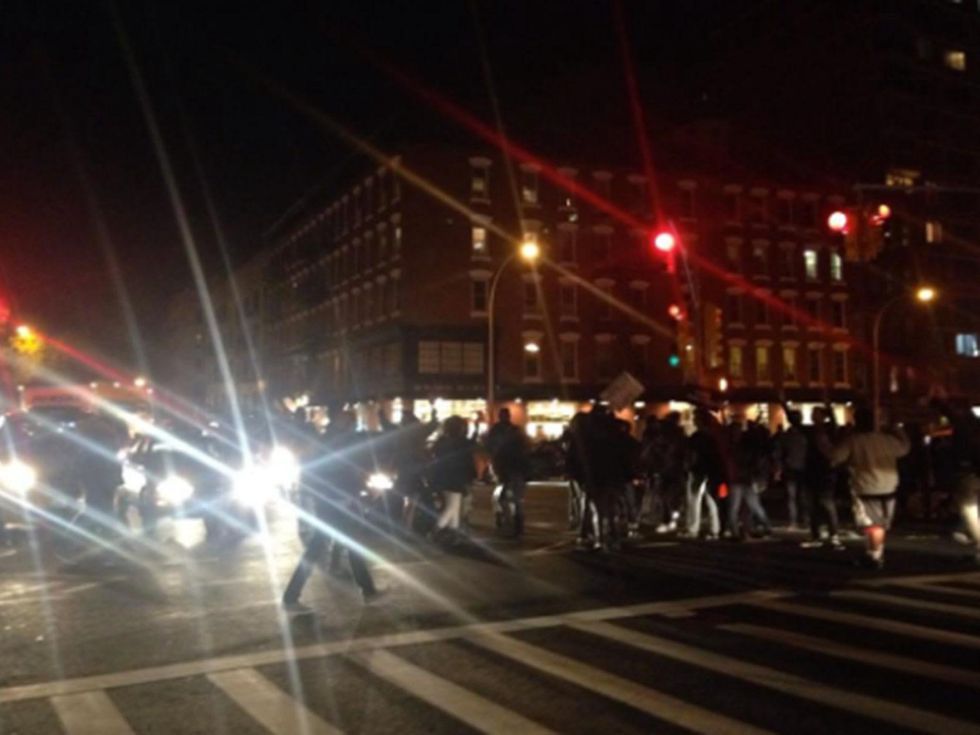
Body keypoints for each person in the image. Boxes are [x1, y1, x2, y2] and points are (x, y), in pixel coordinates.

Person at [282, 410, 380, 616]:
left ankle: (368, 590)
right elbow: (337, 473)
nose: (352, 424)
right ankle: (291, 597)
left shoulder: (329, 440)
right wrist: (351, 493)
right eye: (349, 421)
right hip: (336, 503)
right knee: (329, 547)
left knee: (326, 547)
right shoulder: (335, 442)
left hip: (332, 502)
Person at [828, 405, 910, 570]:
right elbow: (904, 448)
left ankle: (875, 556)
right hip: (889, 484)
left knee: (872, 524)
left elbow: (835, 457)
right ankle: (874, 552)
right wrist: (897, 429)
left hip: (866, 485)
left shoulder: (854, 441)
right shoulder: (886, 440)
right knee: (881, 523)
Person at [930, 387, 980, 565]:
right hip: (974, 470)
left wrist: (941, 401)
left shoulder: (964, 424)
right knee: (971, 509)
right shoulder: (975, 423)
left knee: (969, 509)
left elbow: (952, 415)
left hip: (969, 471)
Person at [801, 406, 844, 549]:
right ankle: (816, 535)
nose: (814, 416)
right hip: (812, 471)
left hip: (825, 471)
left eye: (816, 414)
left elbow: (834, 423)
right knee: (813, 505)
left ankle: (834, 535)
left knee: (826, 503)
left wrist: (829, 406)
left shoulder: (828, 430)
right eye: (813, 414)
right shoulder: (810, 431)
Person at [429, 415, 476, 544]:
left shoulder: (441, 442)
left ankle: (453, 534)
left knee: (453, 507)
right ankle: (436, 531)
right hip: (456, 478)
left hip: (443, 478)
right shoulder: (461, 442)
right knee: (451, 507)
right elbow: (468, 460)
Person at [485, 408, 531, 537]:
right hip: (516, 469)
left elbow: (490, 448)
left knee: (502, 498)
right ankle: (516, 525)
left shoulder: (497, 432)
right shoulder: (515, 431)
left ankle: (509, 523)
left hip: (506, 469)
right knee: (516, 499)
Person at [727, 416, 773, 540]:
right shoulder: (744, 444)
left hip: (740, 478)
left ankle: (738, 531)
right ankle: (761, 527)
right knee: (750, 505)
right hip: (743, 478)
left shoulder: (736, 445)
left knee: (739, 506)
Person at [683, 408, 724, 540]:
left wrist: (689, 466)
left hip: (698, 470)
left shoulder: (697, 437)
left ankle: (693, 528)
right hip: (712, 470)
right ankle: (715, 529)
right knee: (711, 500)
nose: (694, 420)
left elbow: (692, 455)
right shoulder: (714, 437)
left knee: (694, 500)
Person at [775, 410, 809, 529]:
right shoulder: (805, 434)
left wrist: (778, 469)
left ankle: (795, 521)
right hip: (801, 468)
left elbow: (779, 453)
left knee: (793, 497)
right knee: (800, 496)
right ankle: (803, 520)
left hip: (793, 468)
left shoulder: (787, 435)